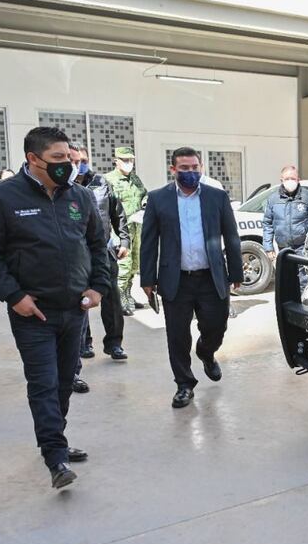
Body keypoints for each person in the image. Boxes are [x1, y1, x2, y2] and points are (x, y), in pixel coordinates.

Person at [0, 126, 109, 489]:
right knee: (44, 383)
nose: (68, 165)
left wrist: (98, 288)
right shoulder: (0, 197)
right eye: (58, 159)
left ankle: (55, 439)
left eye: (70, 158)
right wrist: (14, 296)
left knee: (65, 381)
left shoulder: (79, 196)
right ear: (33, 159)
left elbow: (98, 245)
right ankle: (55, 456)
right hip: (33, 312)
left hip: (74, 309)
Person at [140, 146, 242, 409]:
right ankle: (184, 384)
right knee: (177, 335)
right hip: (176, 279)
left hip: (211, 277)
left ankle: (206, 353)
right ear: (173, 170)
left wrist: (236, 272)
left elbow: (231, 236)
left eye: (194, 168)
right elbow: (149, 242)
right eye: (184, 168)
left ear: (201, 168)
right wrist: (147, 279)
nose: (190, 172)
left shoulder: (216, 197)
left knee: (216, 326)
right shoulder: (158, 199)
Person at [68, 143, 130, 395]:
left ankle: (114, 343)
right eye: (75, 160)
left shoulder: (101, 183)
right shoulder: (65, 187)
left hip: (103, 251)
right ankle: (84, 344)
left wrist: (124, 240)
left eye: (83, 159)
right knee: (80, 301)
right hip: (75, 255)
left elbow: (118, 213)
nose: (79, 164)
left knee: (111, 299)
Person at [262, 165, 308, 290]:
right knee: (286, 280)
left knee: (304, 280)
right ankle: (287, 307)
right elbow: (267, 224)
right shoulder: (273, 200)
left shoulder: (307, 198)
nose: (290, 181)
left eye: (293, 178)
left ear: (298, 179)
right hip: (283, 248)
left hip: (302, 247)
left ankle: (303, 305)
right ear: (281, 180)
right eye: (287, 178)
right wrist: (268, 247)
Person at [105, 146, 147, 315]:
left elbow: (144, 194)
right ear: (116, 161)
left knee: (133, 267)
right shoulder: (108, 180)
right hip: (119, 231)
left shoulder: (135, 180)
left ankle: (128, 295)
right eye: (126, 160)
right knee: (123, 266)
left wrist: (145, 204)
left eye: (131, 160)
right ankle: (118, 300)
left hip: (136, 228)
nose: (129, 163)